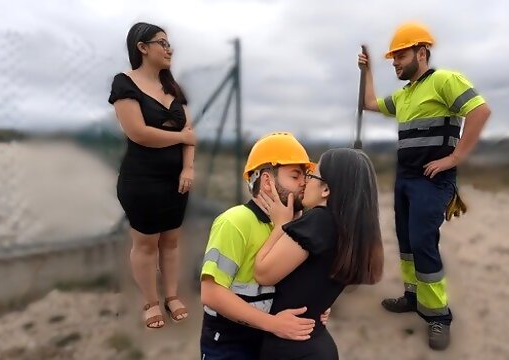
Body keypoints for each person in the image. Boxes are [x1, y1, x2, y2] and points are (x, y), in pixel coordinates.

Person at [358, 22, 492, 350]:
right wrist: (368, 71)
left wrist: (454, 158)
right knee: (406, 243)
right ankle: (413, 297)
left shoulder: (445, 81)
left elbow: (480, 111)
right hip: (406, 179)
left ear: (422, 52)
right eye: (392, 59)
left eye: (400, 56)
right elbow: (369, 104)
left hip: (433, 181)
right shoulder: (404, 95)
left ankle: (438, 316)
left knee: (422, 242)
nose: (396, 63)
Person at [200, 132, 330, 360]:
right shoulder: (234, 221)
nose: (304, 183)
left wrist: (317, 305)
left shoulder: (298, 224)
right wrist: (273, 324)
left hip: (269, 340)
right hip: (229, 342)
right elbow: (211, 294)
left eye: (306, 176)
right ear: (268, 181)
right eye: (295, 176)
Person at [253, 148, 384, 360]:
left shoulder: (317, 222)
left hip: (290, 347)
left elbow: (263, 273)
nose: (305, 182)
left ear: (326, 190)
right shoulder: (350, 229)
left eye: (312, 175)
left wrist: (281, 225)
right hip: (316, 342)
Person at [108, 22, 196, 329]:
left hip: (177, 181)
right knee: (146, 243)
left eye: (170, 43)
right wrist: (183, 137)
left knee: (170, 241)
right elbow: (139, 133)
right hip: (141, 180)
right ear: (142, 48)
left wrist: (188, 166)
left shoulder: (174, 89)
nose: (169, 48)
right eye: (162, 43)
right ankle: (150, 300)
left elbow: (190, 134)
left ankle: (171, 296)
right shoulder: (125, 84)